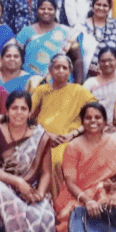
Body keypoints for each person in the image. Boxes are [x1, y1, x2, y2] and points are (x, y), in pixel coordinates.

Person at [0, 90, 56, 232]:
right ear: (7, 111)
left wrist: (39, 194)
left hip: (30, 192)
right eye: (14, 108)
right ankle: (14, 227)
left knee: (45, 216)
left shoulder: (40, 135)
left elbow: (46, 173)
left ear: (30, 113)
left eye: (23, 108)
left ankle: (15, 228)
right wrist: (18, 182)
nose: (19, 113)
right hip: (4, 188)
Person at [54, 102, 116, 232]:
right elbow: (70, 183)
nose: (93, 121)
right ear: (82, 122)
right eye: (88, 118)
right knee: (69, 217)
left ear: (105, 122)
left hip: (110, 189)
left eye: (97, 117)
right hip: (80, 193)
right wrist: (88, 201)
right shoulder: (73, 147)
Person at [31, 55, 96, 194]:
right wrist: (45, 135)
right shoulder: (42, 90)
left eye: (64, 68)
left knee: (57, 160)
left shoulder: (79, 91)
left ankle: (58, 201)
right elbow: (29, 116)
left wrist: (73, 134)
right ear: (50, 70)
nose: (61, 70)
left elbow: (96, 116)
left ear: (70, 71)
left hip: (68, 140)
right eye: (57, 67)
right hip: (41, 138)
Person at [16, 0, 83, 83]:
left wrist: (79, 84)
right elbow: (16, 57)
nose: (46, 11)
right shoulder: (25, 32)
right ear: (37, 11)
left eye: (50, 9)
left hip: (60, 83)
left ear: (55, 11)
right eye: (42, 9)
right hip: (30, 82)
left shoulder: (66, 32)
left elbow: (77, 59)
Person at [79, 0, 116, 79]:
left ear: (109, 8)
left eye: (105, 6)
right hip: (86, 74)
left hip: (114, 75)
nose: (101, 8)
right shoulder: (81, 26)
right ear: (92, 6)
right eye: (98, 4)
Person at [82, 47, 116, 127]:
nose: (107, 64)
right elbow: (82, 107)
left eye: (110, 60)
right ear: (98, 63)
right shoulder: (90, 83)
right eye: (103, 61)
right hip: (94, 127)